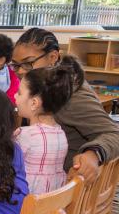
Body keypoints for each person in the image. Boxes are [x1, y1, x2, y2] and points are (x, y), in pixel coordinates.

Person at [12, 28, 119, 182]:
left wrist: (93, 154)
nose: (21, 71)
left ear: (53, 57)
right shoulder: (45, 85)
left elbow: (114, 133)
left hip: (61, 185)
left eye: (28, 63)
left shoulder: (71, 96)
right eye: (15, 65)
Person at [14, 67, 72, 194]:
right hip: (52, 205)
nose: (15, 96)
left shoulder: (25, 135)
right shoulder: (60, 133)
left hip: (27, 204)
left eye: (19, 93)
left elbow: (6, 166)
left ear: (34, 103)